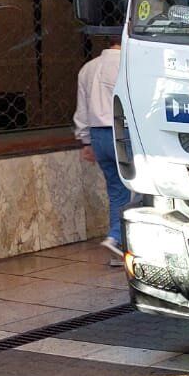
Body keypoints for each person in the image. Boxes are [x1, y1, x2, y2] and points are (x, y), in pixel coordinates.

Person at [74, 39, 129, 263]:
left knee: (117, 192)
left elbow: (82, 109)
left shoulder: (87, 68)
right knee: (141, 189)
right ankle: (116, 238)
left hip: (98, 136)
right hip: (122, 132)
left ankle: (119, 252)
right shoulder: (128, 63)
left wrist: (86, 141)